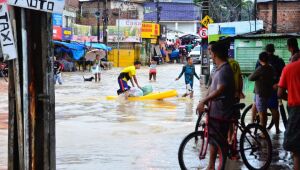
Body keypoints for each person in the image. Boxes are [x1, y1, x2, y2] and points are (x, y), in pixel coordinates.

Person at [197, 41, 235, 169]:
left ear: (216, 54)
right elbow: (211, 88)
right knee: (213, 139)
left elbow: (220, 90)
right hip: (214, 111)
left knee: (220, 141)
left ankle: (220, 166)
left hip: (222, 111)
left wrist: (204, 100)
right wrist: (204, 101)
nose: (210, 56)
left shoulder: (225, 70)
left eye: (211, 53)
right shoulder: (217, 70)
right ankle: (211, 166)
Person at [277, 59, 300, 170]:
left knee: (297, 152)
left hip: (296, 111)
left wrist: (291, 96)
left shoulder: (289, 68)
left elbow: (280, 93)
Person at [249, 52, 275, 129]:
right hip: (267, 92)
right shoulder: (271, 67)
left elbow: (250, 78)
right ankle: (262, 128)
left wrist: (256, 75)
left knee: (261, 112)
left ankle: (263, 131)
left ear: (260, 60)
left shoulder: (261, 69)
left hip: (260, 93)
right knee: (263, 111)